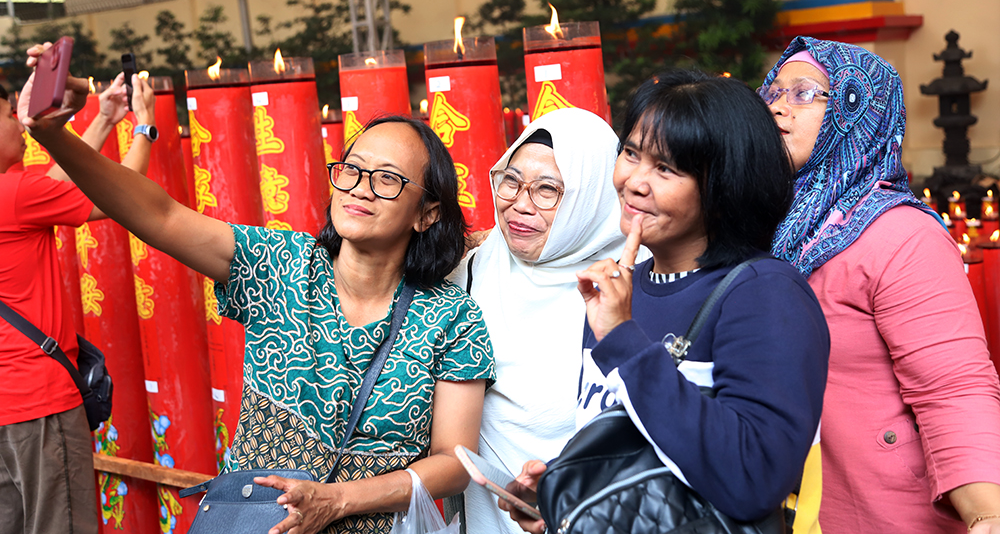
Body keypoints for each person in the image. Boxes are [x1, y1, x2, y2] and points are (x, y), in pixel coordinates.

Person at [22, 64, 495, 534]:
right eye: (352, 169)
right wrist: (54, 135)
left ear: (427, 213)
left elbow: (453, 460)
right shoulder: (277, 265)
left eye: (387, 179)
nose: (359, 189)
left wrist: (338, 500)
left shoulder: (451, 316)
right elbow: (159, 215)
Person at [504, 69, 830, 533]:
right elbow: (642, 443)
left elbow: (754, 478)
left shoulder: (764, 292)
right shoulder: (623, 288)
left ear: (725, 187)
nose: (634, 181)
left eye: (666, 168)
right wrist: (570, 490)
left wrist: (623, 337)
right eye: (632, 153)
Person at [762, 36, 1000, 534]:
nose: (779, 107)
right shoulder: (760, 224)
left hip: (878, 512)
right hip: (778, 510)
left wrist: (987, 512)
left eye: (804, 92)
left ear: (857, 111)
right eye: (772, 91)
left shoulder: (900, 234)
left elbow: (953, 388)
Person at [0, 48, 157, 534]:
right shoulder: (14, 194)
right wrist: (144, 127)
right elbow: (122, 192)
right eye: (9, 114)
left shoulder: (17, 193)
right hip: (41, 406)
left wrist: (105, 117)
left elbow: (58, 177)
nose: (19, 124)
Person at [447, 108, 625, 534]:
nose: (519, 205)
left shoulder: (632, 286)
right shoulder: (466, 274)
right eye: (511, 180)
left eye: (549, 190)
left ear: (591, 196)